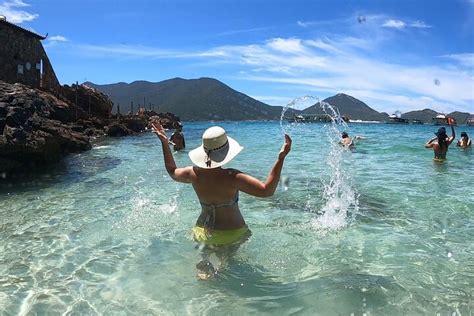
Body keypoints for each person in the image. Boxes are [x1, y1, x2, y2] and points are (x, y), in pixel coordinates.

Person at [151, 122, 292, 279]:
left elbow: (172, 171)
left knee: (204, 267)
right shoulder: (233, 177)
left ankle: (205, 274)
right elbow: (267, 191)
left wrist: (164, 142)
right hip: (232, 234)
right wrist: (281, 158)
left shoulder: (192, 173)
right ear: (226, 153)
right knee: (227, 267)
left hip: (202, 232)